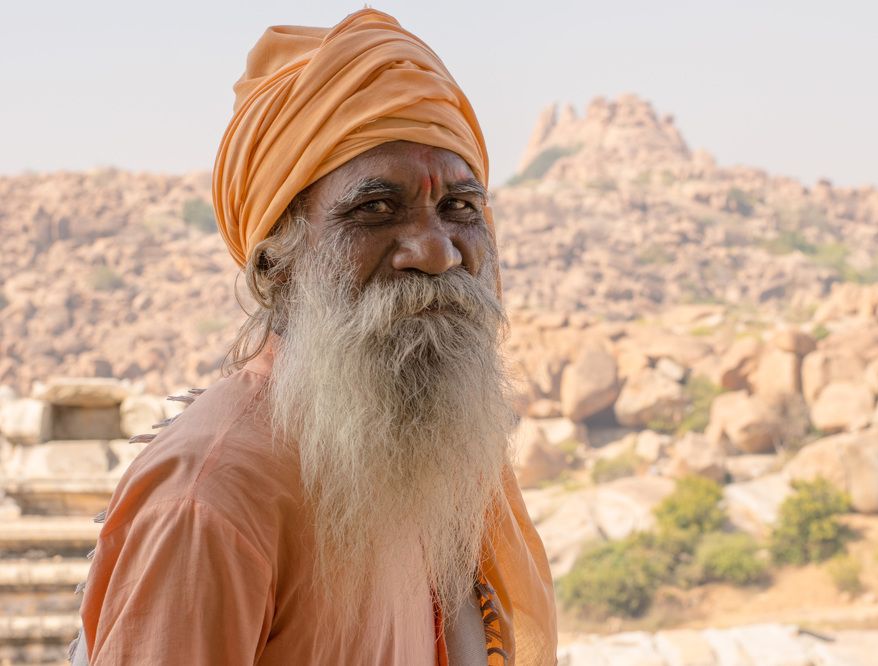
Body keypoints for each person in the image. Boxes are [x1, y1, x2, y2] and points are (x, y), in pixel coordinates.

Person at [71, 9, 557, 665]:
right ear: (278, 266)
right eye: (376, 209)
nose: (437, 251)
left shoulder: (415, 459)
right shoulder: (212, 499)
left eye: (459, 207)